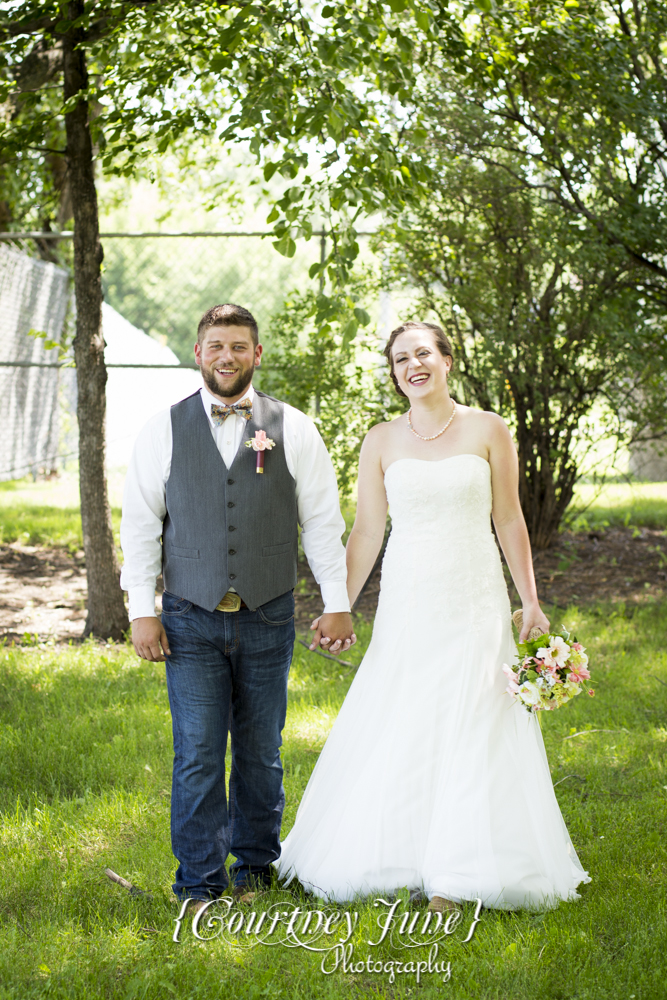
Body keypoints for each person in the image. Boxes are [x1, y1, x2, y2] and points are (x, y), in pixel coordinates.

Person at [276, 320, 590, 911]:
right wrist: (337, 605)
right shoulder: (381, 440)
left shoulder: (488, 429)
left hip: (475, 595)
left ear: (447, 359)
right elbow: (368, 531)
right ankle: (401, 850)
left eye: (423, 354)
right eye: (400, 360)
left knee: (477, 714)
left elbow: (510, 520)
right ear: (394, 374)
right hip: (410, 594)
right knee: (408, 708)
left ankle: (461, 869)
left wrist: (530, 601)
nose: (413, 366)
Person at [120, 303, 356, 908]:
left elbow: (323, 524)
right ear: (199, 354)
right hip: (189, 619)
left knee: (261, 751)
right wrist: (141, 610)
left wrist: (338, 603)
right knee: (197, 751)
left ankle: (255, 867)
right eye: (216, 346)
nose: (228, 357)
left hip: (268, 612)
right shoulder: (163, 428)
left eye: (240, 347)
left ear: (257, 355)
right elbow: (142, 524)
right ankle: (199, 882)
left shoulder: (294, 428)